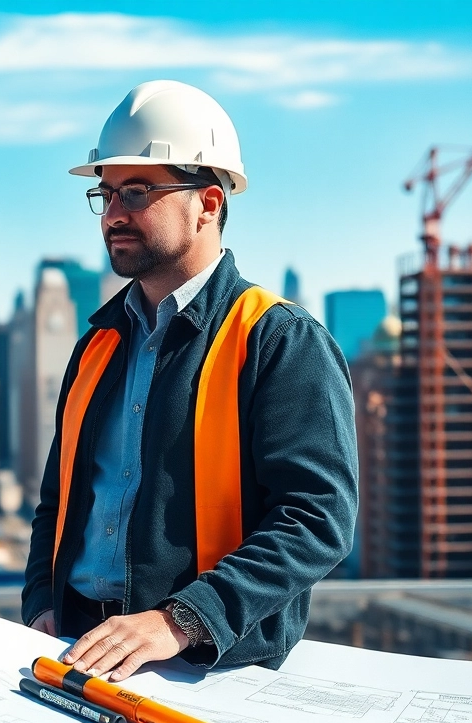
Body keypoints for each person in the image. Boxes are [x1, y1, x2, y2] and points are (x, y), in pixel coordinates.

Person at [21, 80, 357, 683]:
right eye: (107, 193)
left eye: (139, 191)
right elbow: (60, 499)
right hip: (76, 651)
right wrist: (42, 605)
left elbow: (316, 519)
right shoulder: (96, 346)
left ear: (207, 202)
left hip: (208, 670)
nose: (115, 211)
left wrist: (179, 622)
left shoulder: (278, 340)